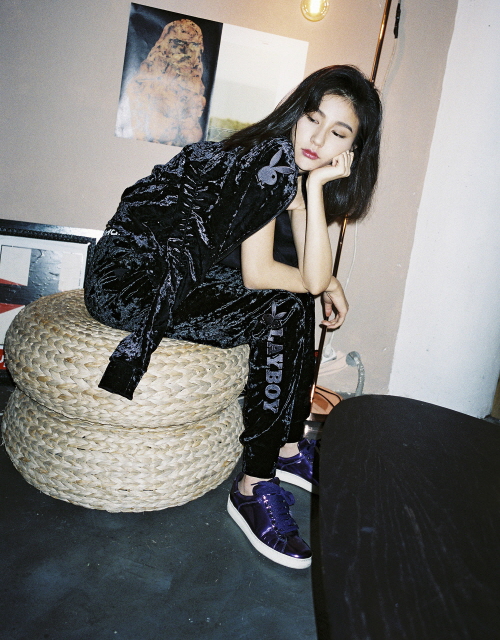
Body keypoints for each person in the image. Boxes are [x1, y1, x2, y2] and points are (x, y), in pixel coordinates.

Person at [84, 64, 382, 570]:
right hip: (132, 278)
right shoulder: (265, 164)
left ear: (354, 149)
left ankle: (287, 449)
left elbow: (310, 274)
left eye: (338, 132)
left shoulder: (295, 173)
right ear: (297, 114)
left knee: (291, 300)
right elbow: (265, 274)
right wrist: (324, 281)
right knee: (281, 304)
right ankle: (253, 485)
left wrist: (315, 201)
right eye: (313, 119)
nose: (317, 139)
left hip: (179, 275)